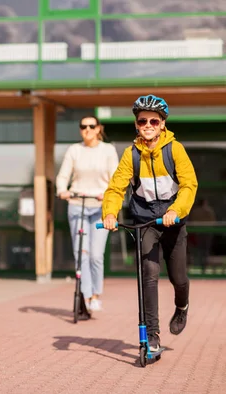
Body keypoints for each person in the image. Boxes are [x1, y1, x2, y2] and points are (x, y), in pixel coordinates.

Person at [102, 94, 198, 352]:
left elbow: (189, 184)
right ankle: (152, 336)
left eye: (153, 121)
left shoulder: (174, 149)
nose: (147, 125)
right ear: (136, 124)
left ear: (162, 124)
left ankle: (182, 306)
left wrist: (176, 210)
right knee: (149, 275)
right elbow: (115, 188)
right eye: (142, 120)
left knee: (178, 278)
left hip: (173, 220)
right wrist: (110, 214)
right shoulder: (130, 154)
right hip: (145, 221)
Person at [56, 115, 119, 312]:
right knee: (81, 253)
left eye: (92, 126)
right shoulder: (74, 150)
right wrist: (61, 190)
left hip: (100, 206)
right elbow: (63, 175)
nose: (88, 130)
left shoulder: (108, 150)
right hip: (78, 204)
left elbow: (115, 178)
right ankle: (86, 296)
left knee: (95, 255)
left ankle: (96, 293)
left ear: (99, 128)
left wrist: (107, 194)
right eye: (83, 126)